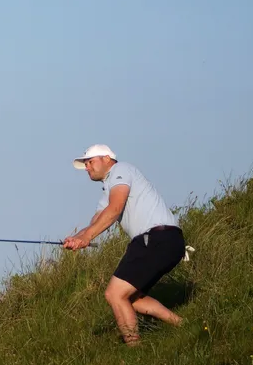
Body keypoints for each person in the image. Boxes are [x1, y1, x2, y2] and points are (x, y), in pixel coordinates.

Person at [63, 144, 187, 346]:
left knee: (114, 294)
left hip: (156, 238)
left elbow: (115, 209)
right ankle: (183, 325)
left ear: (106, 158)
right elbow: (97, 220)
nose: (87, 168)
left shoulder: (121, 170)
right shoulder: (109, 188)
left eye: (90, 162)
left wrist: (87, 237)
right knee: (132, 298)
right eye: (85, 164)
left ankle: (134, 348)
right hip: (165, 241)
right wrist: (76, 238)